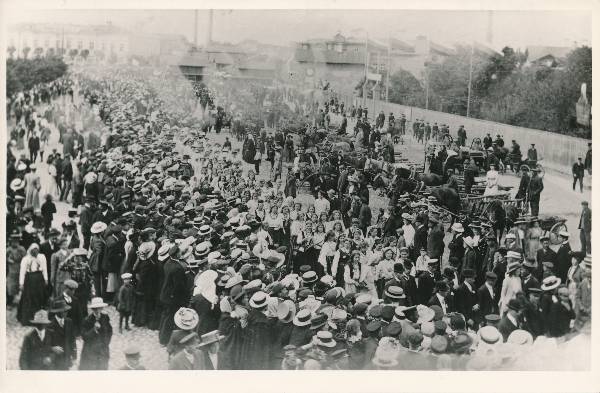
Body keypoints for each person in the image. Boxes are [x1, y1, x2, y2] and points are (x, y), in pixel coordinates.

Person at [17, 243, 48, 326]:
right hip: (30, 279)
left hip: (39, 279)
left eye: (37, 251)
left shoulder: (42, 257)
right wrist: (21, 283)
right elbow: (22, 272)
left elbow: (44, 268)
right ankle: (28, 318)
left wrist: (46, 279)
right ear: (30, 251)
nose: (35, 253)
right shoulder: (25, 259)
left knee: (39, 297)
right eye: (34, 251)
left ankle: (38, 318)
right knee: (29, 298)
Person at [79, 297, 113, 370]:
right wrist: (93, 330)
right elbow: (84, 336)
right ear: (92, 309)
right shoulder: (87, 320)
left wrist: (106, 342)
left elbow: (110, 331)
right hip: (91, 352)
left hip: (103, 351)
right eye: (95, 308)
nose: (97, 310)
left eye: (99, 308)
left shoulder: (105, 317)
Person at [47, 299, 77, 370]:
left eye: (66, 310)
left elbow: (72, 339)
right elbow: (45, 343)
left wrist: (74, 355)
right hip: (55, 360)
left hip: (66, 358)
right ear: (57, 312)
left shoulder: (69, 321)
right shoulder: (49, 325)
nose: (66, 312)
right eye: (64, 311)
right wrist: (52, 348)